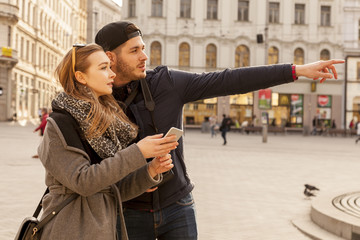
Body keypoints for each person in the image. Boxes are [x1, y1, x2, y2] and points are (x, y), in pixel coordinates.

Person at [95, 20, 344, 240]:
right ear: (111, 57)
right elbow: (90, 171)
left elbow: (229, 80)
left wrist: (295, 70)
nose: (145, 56)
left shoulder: (166, 83)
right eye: (135, 50)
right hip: (128, 213)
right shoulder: (93, 103)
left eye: (144, 48)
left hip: (177, 206)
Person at [36, 43, 179, 240]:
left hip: (104, 229)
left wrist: (150, 171)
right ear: (80, 76)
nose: (112, 74)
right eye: (103, 68)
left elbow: (111, 189)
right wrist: (138, 152)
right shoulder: (60, 122)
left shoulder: (105, 122)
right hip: (69, 229)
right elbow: (83, 182)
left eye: (110, 67)